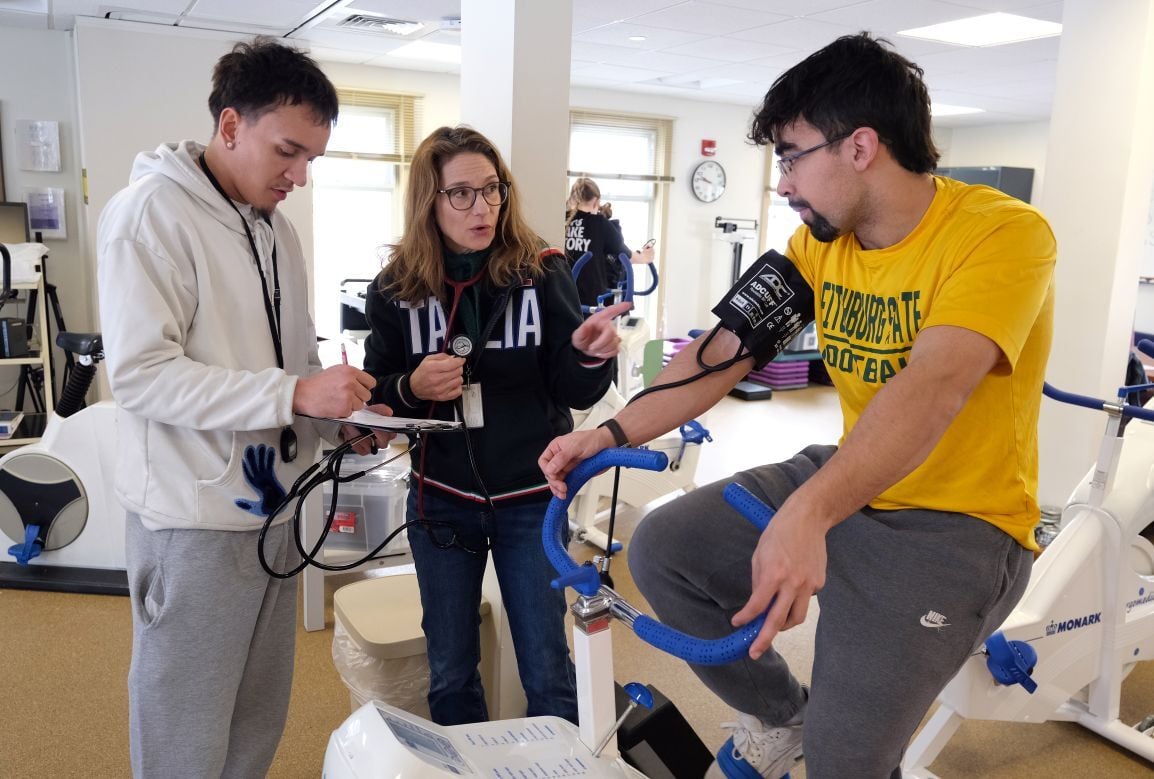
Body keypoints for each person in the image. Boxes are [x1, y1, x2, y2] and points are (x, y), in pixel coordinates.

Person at [540, 32, 1056, 779]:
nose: (781, 182)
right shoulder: (819, 245)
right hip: (854, 478)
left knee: (847, 762)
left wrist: (809, 512)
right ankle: (785, 716)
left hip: (958, 525)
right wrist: (610, 431)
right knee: (663, 547)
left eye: (790, 155)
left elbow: (931, 389)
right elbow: (722, 351)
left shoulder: (1002, 233)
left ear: (860, 147)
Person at [97, 39, 392, 777]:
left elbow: (291, 362)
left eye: (312, 160)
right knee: (184, 731)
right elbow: (141, 374)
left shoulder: (273, 227)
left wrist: (333, 416)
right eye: (288, 152)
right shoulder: (149, 215)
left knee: (256, 719)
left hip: (276, 510)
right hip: (194, 522)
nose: (298, 176)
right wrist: (293, 393)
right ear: (230, 126)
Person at [361, 125, 629, 726]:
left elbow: (573, 389)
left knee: (546, 669)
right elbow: (375, 393)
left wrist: (589, 354)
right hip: (441, 502)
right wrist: (410, 387)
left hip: (533, 502)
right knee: (451, 671)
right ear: (428, 199)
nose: (481, 207)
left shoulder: (540, 270)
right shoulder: (395, 287)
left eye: (492, 189)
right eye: (460, 193)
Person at [564, 177, 655, 310]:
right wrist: (646, 257)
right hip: (590, 304)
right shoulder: (600, 224)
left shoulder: (561, 219)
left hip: (563, 299)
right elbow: (627, 256)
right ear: (596, 202)